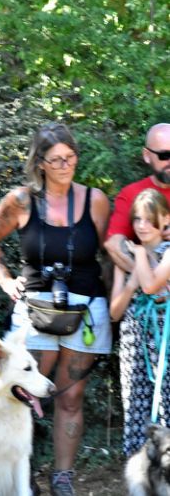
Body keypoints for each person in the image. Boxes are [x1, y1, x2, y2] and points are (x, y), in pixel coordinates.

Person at [0, 122, 111, 496]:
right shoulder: (21, 201)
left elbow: (110, 253)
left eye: (71, 157)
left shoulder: (95, 200)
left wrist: (115, 300)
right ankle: (19, 475)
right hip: (35, 308)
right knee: (22, 393)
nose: (65, 165)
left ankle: (62, 478)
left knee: (71, 397)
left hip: (86, 309)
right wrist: (5, 278)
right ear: (39, 163)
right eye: (56, 160)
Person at [110, 188, 170, 457]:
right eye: (137, 219)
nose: (142, 226)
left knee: (166, 402)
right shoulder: (124, 257)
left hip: (165, 339)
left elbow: (150, 286)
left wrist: (141, 256)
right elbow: (114, 313)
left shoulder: (167, 252)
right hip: (134, 343)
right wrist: (129, 283)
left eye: (149, 219)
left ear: (165, 218)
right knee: (136, 404)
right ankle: (140, 471)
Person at [105, 123, 170, 271]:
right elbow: (114, 245)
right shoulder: (132, 194)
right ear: (147, 155)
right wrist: (147, 277)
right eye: (165, 156)